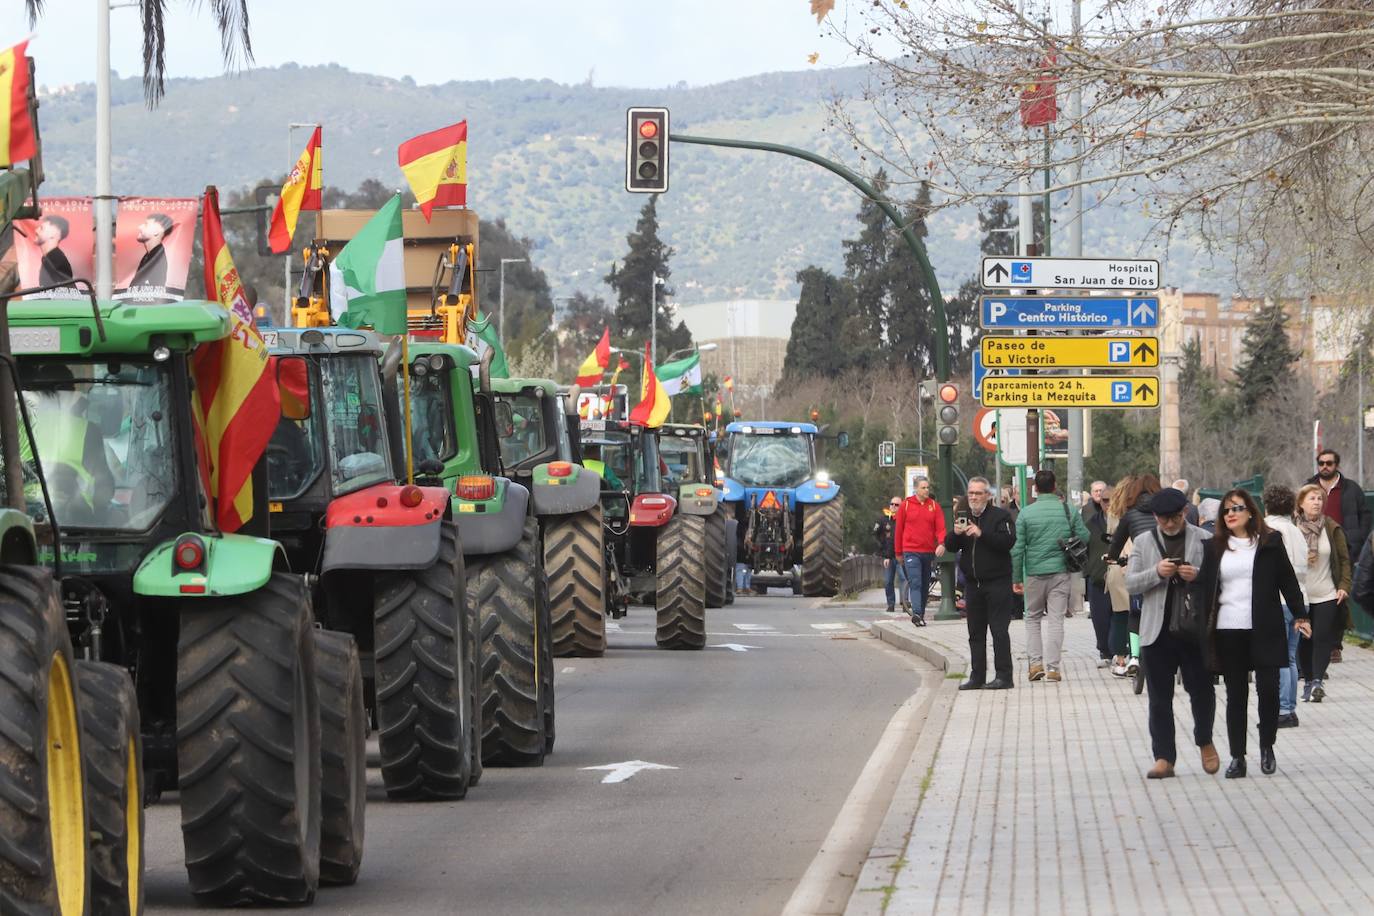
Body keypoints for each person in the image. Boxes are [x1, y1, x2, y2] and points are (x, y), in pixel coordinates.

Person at [1197, 489, 1308, 778]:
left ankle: (1267, 747)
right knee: (1236, 695)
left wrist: (1300, 615)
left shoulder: (1270, 542)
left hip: (1265, 627)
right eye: (1226, 510)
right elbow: (1204, 588)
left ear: (1250, 512)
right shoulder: (1213, 547)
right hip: (1228, 628)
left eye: (1237, 508)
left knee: (1269, 690)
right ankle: (1237, 756)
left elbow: (1287, 580)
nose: (1230, 514)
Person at [1123, 487, 1217, 779]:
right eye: (1162, 519)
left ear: (1184, 513)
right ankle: (1164, 757)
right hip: (1156, 631)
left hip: (1192, 629)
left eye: (1174, 518)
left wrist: (1197, 575)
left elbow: (1220, 578)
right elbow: (1131, 583)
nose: (1168, 524)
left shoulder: (1204, 539)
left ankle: (1205, 741)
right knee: (1159, 697)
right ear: (1155, 517)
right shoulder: (1143, 541)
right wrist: (1157, 573)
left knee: (1201, 690)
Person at [1011, 469, 1089, 682]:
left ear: (1035, 488)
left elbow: (1017, 549)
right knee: (1056, 620)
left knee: (1033, 618)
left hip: (1034, 573)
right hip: (1060, 572)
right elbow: (1084, 535)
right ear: (1055, 486)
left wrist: (1016, 578)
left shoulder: (1026, 513)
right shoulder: (1068, 510)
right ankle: (1053, 668)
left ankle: (1035, 664)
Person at [945, 477, 1016, 690]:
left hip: (997, 583)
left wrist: (981, 534)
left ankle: (1004, 676)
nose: (974, 497)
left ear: (988, 495)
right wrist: (955, 533)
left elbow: (1007, 543)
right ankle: (977, 677)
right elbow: (950, 546)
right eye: (971, 493)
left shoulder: (1000, 516)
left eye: (978, 493)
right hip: (973, 585)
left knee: (999, 631)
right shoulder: (963, 517)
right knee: (975, 633)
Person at [1294, 483, 1351, 704]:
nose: (1317, 502)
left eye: (1319, 499)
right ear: (1301, 503)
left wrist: (1344, 585)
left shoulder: (1331, 527)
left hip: (1328, 592)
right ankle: (1307, 680)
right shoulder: (1293, 529)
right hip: (1302, 595)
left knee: (1322, 638)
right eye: (1312, 498)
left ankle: (1318, 680)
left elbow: (1345, 560)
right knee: (1305, 640)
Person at [1107, 473, 1163, 676]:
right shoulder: (1164, 513)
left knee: (1135, 613)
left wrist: (1112, 557)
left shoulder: (1130, 515)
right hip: (1163, 567)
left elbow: (1116, 546)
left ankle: (1136, 657)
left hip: (1139, 568)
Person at [1262, 485, 1307, 728]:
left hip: (1277, 601)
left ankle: (1282, 708)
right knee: (1290, 657)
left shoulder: (1267, 530)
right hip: (1300, 599)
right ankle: (1290, 708)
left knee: (1278, 659)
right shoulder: (1296, 531)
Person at [1307, 449, 1370, 572]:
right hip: (1316, 550)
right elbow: (1298, 514)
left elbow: (1365, 516)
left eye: (1329, 463)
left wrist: (1358, 540)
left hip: (1346, 550)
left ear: (1337, 465)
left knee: (1344, 589)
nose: (1325, 466)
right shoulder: (1308, 488)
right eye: (1321, 463)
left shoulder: (1352, 488)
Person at [894, 477, 945, 626]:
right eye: (923, 487)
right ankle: (916, 613)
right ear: (915, 489)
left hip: (928, 552)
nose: (926, 490)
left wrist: (942, 543)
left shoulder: (934, 506)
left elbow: (941, 528)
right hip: (911, 551)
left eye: (927, 487)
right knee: (915, 582)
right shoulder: (906, 505)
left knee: (924, 584)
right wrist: (898, 553)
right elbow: (899, 530)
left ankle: (920, 615)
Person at [1082, 480, 1114, 667]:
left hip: (1120, 577)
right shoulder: (1091, 523)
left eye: (1111, 500)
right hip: (1097, 577)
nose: (1107, 504)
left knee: (1118, 617)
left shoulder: (1125, 521)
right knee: (1100, 618)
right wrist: (1088, 569)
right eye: (1104, 500)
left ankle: (1117, 650)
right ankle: (1104, 651)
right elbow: (1083, 546)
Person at [873, 496, 909, 615]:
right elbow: (876, 535)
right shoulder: (884, 521)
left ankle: (905, 603)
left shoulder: (904, 520)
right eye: (892, 504)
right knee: (888, 581)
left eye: (896, 505)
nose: (893, 506)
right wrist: (883, 552)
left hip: (901, 556)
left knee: (903, 579)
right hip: (889, 556)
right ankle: (890, 604)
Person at [130, 213, 174, 290]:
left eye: (146, 225)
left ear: (157, 232)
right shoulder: (149, 256)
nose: (139, 227)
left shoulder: (157, 259)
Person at [35, 214, 73, 286]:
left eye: (41, 228)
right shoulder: (50, 258)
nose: (36, 230)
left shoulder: (57, 260)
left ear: (55, 234)